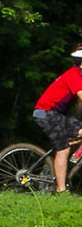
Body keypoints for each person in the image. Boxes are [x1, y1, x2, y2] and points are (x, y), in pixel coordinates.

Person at [33, 45, 82, 194]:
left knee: (78, 134)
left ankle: (57, 167)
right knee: (63, 148)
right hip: (45, 113)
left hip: (58, 114)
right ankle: (61, 190)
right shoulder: (73, 75)